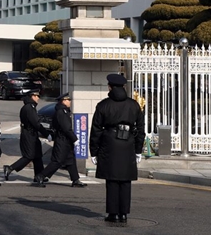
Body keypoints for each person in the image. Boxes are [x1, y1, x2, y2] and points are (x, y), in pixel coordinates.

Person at [89, 73, 145, 224]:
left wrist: (94, 151)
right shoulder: (133, 105)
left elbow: (96, 130)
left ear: (110, 87)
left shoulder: (103, 105)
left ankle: (113, 213)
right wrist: (138, 149)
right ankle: (124, 213)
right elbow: (140, 128)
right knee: (125, 180)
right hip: (128, 143)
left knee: (112, 180)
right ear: (124, 87)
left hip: (110, 144)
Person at [33, 92, 86, 188]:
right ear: (63, 101)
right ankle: (41, 175)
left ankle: (75, 179)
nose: (70, 102)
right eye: (68, 100)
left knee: (70, 159)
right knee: (58, 161)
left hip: (66, 139)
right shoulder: (61, 112)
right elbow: (66, 128)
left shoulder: (64, 110)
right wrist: (74, 139)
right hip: (62, 139)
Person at [3, 90, 52, 182]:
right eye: (36, 96)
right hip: (29, 134)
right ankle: (10, 168)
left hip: (32, 134)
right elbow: (36, 124)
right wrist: (46, 134)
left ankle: (39, 176)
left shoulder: (30, 107)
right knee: (29, 156)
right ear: (32, 96)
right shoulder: (29, 108)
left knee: (37, 156)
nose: (38, 98)